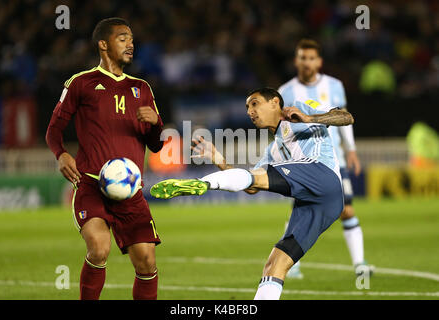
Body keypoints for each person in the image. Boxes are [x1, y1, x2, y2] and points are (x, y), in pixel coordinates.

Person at [150, 87, 354, 300]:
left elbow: (346, 117)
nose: (249, 111)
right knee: (274, 265)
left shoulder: (300, 108)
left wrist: (309, 117)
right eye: (247, 107)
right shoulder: (273, 152)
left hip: (323, 176)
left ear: (275, 102)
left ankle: (201, 184)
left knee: (256, 175)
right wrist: (217, 158)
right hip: (321, 204)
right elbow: (251, 186)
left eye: (255, 103)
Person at [45, 18, 164, 300]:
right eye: (122, 38)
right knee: (99, 249)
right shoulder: (81, 83)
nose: (130, 44)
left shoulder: (142, 88)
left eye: (132, 39)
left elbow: (156, 145)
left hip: (131, 192)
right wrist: (61, 153)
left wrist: (156, 123)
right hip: (91, 185)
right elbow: (53, 129)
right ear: (103, 44)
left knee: (147, 262)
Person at [278, 39, 372, 278]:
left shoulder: (334, 86)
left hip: (334, 159)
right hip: (303, 160)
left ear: (318, 61)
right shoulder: (285, 91)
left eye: (311, 58)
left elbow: (342, 118)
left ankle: (360, 264)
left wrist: (350, 149)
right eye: (302, 58)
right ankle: (291, 263)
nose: (306, 62)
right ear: (296, 61)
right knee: (300, 208)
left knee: (346, 209)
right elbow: (282, 128)